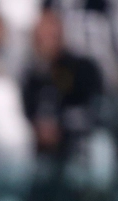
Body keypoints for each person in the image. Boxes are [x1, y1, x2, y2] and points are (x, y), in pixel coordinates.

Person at [21, 10, 104, 159]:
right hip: (38, 150)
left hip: (79, 145)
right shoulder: (30, 75)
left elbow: (95, 107)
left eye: (52, 35)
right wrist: (37, 128)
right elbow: (26, 112)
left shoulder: (81, 68)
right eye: (42, 36)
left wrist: (61, 125)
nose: (47, 41)